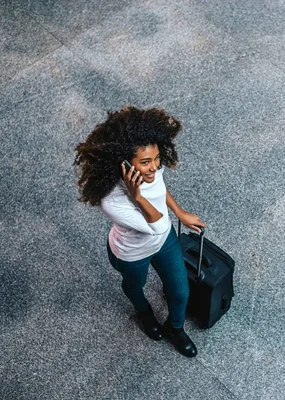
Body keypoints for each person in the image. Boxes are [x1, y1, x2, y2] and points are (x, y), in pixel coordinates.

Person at [74, 106, 205, 358]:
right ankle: (144, 313)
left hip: (163, 241)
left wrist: (179, 212)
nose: (154, 167)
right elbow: (156, 225)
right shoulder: (111, 201)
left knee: (181, 291)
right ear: (124, 163)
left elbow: (160, 190)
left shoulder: (153, 169)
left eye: (156, 159)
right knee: (136, 286)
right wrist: (137, 196)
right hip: (132, 253)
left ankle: (175, 328)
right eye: (145, 162)